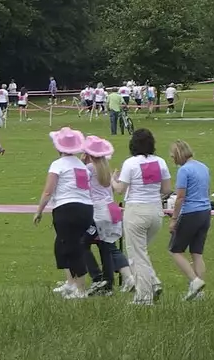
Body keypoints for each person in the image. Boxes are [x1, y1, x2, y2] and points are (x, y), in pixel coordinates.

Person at [34, 127, 98, 299]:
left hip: (66, 208)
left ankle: (80, 288)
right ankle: (72, 284)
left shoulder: (58, 165)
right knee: (69, 245)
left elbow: (48, 191)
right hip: (85, 209)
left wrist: (39, 211)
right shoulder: (81, 166)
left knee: (72, 248)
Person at [115, 128, 171, 305]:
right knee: (141, 251)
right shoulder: (160, 162)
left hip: (136, 210)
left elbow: (120, 190)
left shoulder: (130, 163)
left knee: (136, 255)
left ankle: (144, 296)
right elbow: (167, 189)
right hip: (155, 210)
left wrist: (111, 179)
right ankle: (153, 283)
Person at [82, 135, 130, 295]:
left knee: (82, 244)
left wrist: (82, 160)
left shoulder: (89, 168)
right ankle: (108, 283)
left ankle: (97, 277)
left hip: (99, 211)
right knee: (106, 246)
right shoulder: (105, 168)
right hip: (111, 209)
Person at [166, 139, 211, 301]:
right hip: (205, 212)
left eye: (173, 156)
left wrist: (174, 219)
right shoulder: (203, 167)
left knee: (175, 250)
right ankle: (200, 293)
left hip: (190, 213)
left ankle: (195, 281)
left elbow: (180, 198)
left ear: (178, 155)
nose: (172, 160)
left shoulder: (184, 171)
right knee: (196, 253)